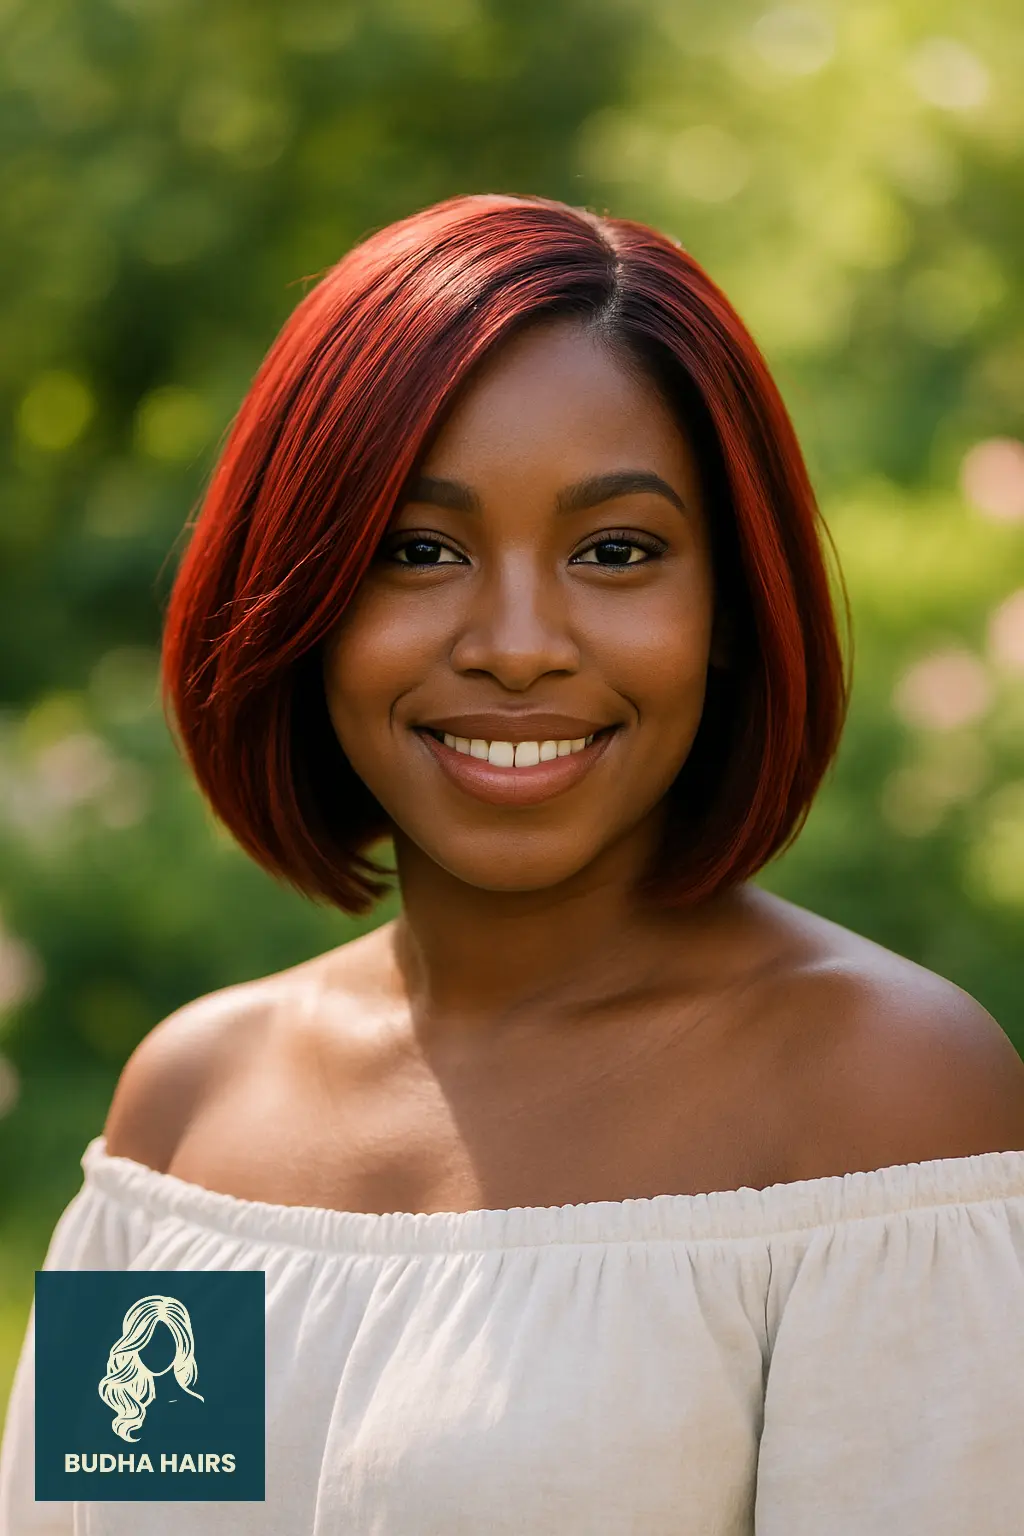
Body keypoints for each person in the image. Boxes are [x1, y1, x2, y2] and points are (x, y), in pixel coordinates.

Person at [2, 192, 1024, 1534]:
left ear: (729, 606)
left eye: (616, 551)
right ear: (303, 594)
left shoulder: (882, 1100)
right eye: (419, 551)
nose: (520, 642)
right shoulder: (197, 1113)